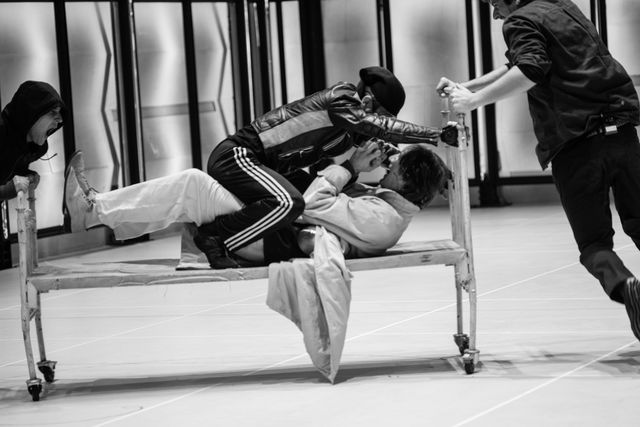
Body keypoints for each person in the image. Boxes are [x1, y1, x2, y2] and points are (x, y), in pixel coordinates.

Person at [437, 0, 640, 341]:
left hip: (577, 146)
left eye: (495, 3)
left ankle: (626, 284)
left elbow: (529, 70)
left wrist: (473, 102)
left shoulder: (518, 21)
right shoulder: (562, 6)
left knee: (594, 244)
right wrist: (467, 87)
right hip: (621, 133)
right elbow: (519, 64)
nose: (495, 13)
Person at [198, 65, 459, 269]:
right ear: (368, 103)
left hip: (267, 165)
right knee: (289, 203)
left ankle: (248, 238)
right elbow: (382, 130)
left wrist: (438, 177)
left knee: (303, 194)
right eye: (382, 117)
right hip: (240, 154)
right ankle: (214, 236)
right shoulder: (341, 99)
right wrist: (436, 135)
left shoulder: (351, 128)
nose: (378, 124)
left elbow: (389, 154)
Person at [62, 141, 450, 266]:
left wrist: (349, 167)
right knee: (195, 189)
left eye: (397, 164)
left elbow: (308, 204)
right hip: (273, 231)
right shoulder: (384, 205)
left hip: (270, 239)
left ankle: (94, 211)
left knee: (193, 185)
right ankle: (100, 214)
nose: (389, 164)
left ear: (408, 181)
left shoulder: (383, 218)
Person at [0, 81, 66, 200]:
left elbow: (10, 168)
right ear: (30, 113)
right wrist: (5, 191)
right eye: (53, 112)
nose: (60, 120)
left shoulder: (34, 148)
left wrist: (27, 174)